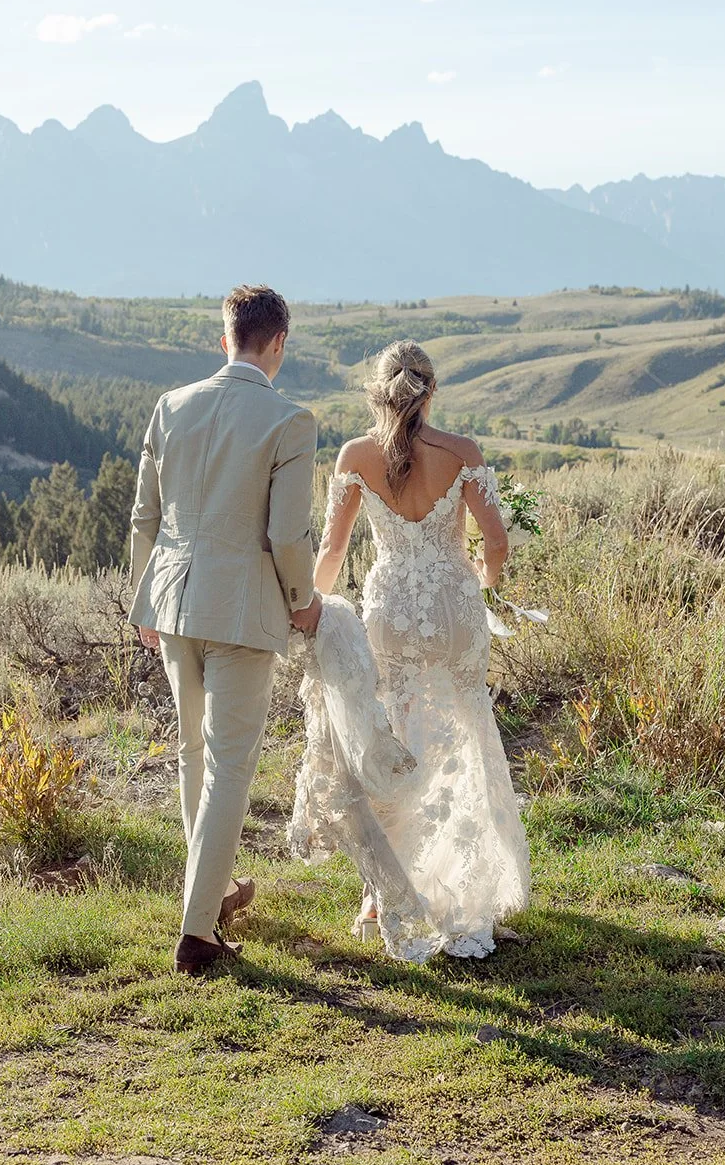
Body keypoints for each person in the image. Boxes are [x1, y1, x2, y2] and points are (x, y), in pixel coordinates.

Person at [310, 340, 531, 960]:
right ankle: (462, 883)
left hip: (389, 611)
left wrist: (313, 613)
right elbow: (496, 544)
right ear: (430, 392)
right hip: (452, 607)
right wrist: (481, 584)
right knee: (463, 727)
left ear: (379, 395)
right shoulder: (463, 454)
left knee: (397, 734)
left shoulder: (355, 456)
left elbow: (330, 555)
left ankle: (389, 891)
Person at [129, 284, 321, 976]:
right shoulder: (289, 421)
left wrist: (142, 604)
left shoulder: (170, 406)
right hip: (242, 609)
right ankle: (197, 933)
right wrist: (303, 599)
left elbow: (143, 519)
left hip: (173, 602)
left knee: (192, 755)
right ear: (277, 345)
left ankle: (209, 900)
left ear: (225, 339)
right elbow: (286, 532)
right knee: (230, 765)